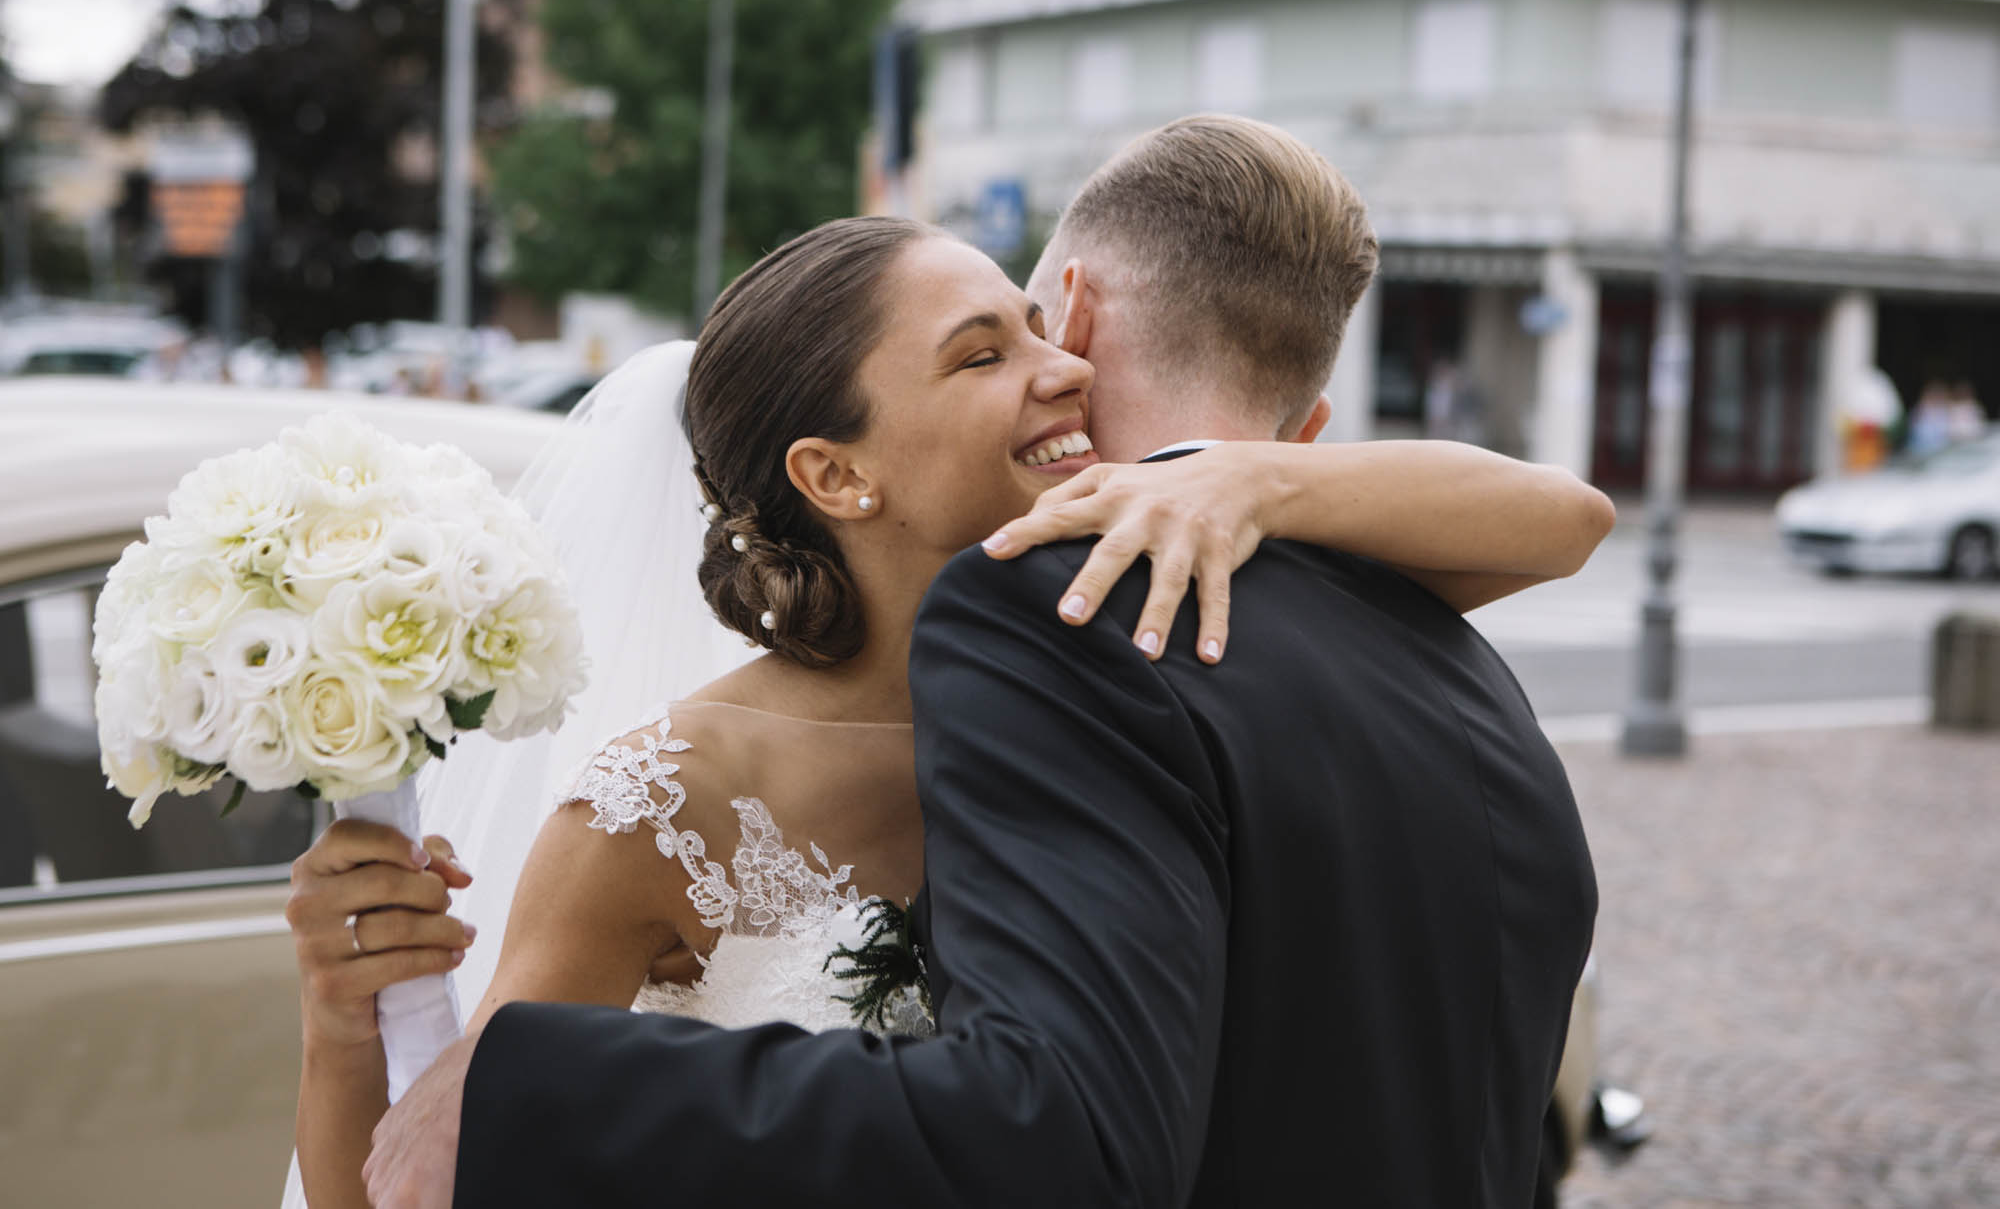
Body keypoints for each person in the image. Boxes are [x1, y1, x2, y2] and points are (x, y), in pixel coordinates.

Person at [335, 118, 1605, 1208]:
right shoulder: (1450, 676)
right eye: (986, 349)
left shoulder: (1080, 650)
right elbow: (429, 1157)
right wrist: (350, 1018)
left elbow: (1066, 1124)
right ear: (834, 474)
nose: (1057, 371)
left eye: (1038, 330)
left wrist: (1237, 477)